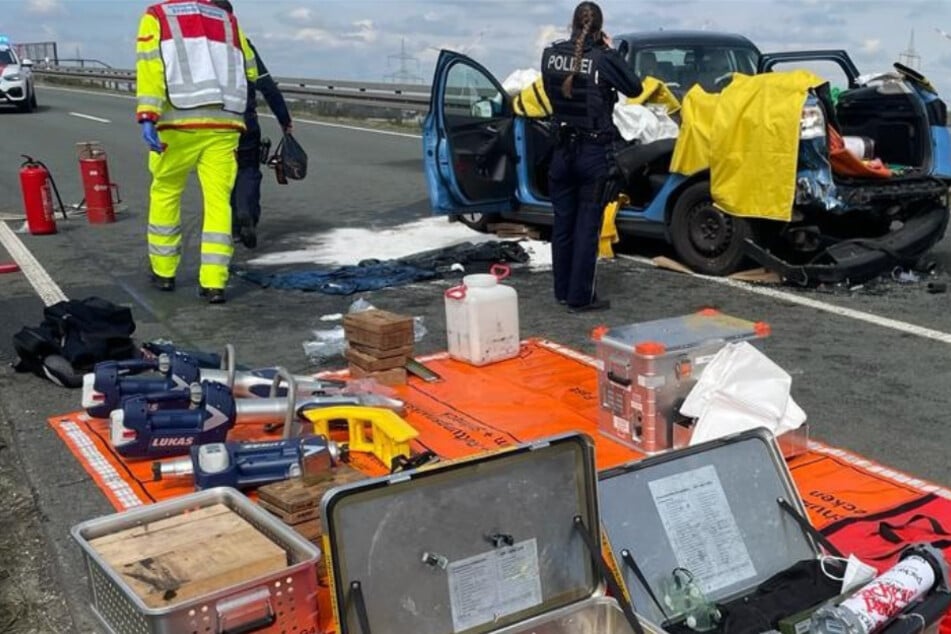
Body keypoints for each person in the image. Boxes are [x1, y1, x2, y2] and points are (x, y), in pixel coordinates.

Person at [135, 0, 258, 304]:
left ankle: (164, 273)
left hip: (177, 121)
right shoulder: (228, 20)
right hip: (224, 123)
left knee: (166, 192)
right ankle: (214, 283)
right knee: (218, 203)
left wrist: (148, 114)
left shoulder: (158, 15)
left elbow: (151, 66)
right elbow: (250, 70)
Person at [541, 1, 643, 313]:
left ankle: (562, 291)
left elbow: (550, 92)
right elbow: (635, 88)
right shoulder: (602, 58)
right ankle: (580, 297)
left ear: (572, 24)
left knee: (563, 224)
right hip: (592, 152)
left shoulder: (551, 54)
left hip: (561, 150)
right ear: (600, 28)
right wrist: (610, 50)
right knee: (587, 226)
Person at [210, 0, 292, 250]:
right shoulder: (242, 45)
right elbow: (267, 85)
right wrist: (284, 119)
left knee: (218, 177)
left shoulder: (197, 48)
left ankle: (229, 227)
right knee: (248, 170)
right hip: (244, 121)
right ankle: (246, 214)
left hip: (210, 124)